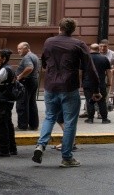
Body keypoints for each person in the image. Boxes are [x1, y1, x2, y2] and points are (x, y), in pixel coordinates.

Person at [32, 18, 101, 168]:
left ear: (59, 28)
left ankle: (40, 145)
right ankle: (67, 157)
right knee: (70, 122)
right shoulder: (79, 44)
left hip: (50, 86)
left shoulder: (49, 42)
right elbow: (90, 68)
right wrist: (96, 90)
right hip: (69, 87)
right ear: (73, 30)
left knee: (50, 117)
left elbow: (43, 62)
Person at [0, 49, 18, 157]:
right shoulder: (9, 68)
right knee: (8, 123)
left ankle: (4, 149)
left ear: (3, 59)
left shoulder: (4, 70)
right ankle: (12, 148)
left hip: (3, 100)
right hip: (7, 99)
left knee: (1, 124)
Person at [82, 43, 111, 124]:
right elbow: (108, 71)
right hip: (101, 83)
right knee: (102, 101)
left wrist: (81, 82)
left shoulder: (85, 58)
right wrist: (109, 81)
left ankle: (90, 119)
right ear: (99, 49)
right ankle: (104, 119)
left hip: (88, 83)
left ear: (89, 49)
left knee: (89, 101)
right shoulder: (104, 58)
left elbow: (80, 71)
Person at [15, 42, 40, 130]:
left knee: (22, 103)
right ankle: (34, 125)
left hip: (27, 82)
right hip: (33, 81)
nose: (18, 51)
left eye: (20, 49)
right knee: (31, 103)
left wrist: (19, 76)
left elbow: (30, 67)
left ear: (26, 48)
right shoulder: (34, 56)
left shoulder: (27, 57)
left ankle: (22, 126)